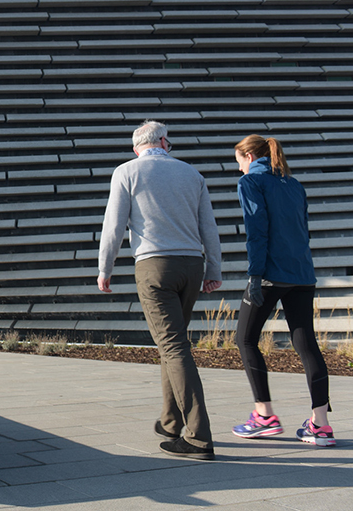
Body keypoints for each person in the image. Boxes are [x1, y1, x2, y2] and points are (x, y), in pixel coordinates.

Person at [98, 120, 223, 461]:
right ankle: (171, 422)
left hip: (154, 266)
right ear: (164, 142)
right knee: (175, 344)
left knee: (173, 347)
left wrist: (104, 269)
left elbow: (113, 226)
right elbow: (208, 226)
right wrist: (214, 269)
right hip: (192, 265)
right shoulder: (191, 174)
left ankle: (198, 437)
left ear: (136, 147)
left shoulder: (127, 172)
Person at [230, 135, 335, 447]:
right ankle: (321, 425)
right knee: (307, 345)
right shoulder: (294, 184)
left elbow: (256, 231)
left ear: (249, 156)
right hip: (303, 274)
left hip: (270, 274)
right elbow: (303, 229)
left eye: (238, 161)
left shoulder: (251, 182)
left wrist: (254, 276)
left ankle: (264, 415)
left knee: (245, 338)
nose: (238, 168)